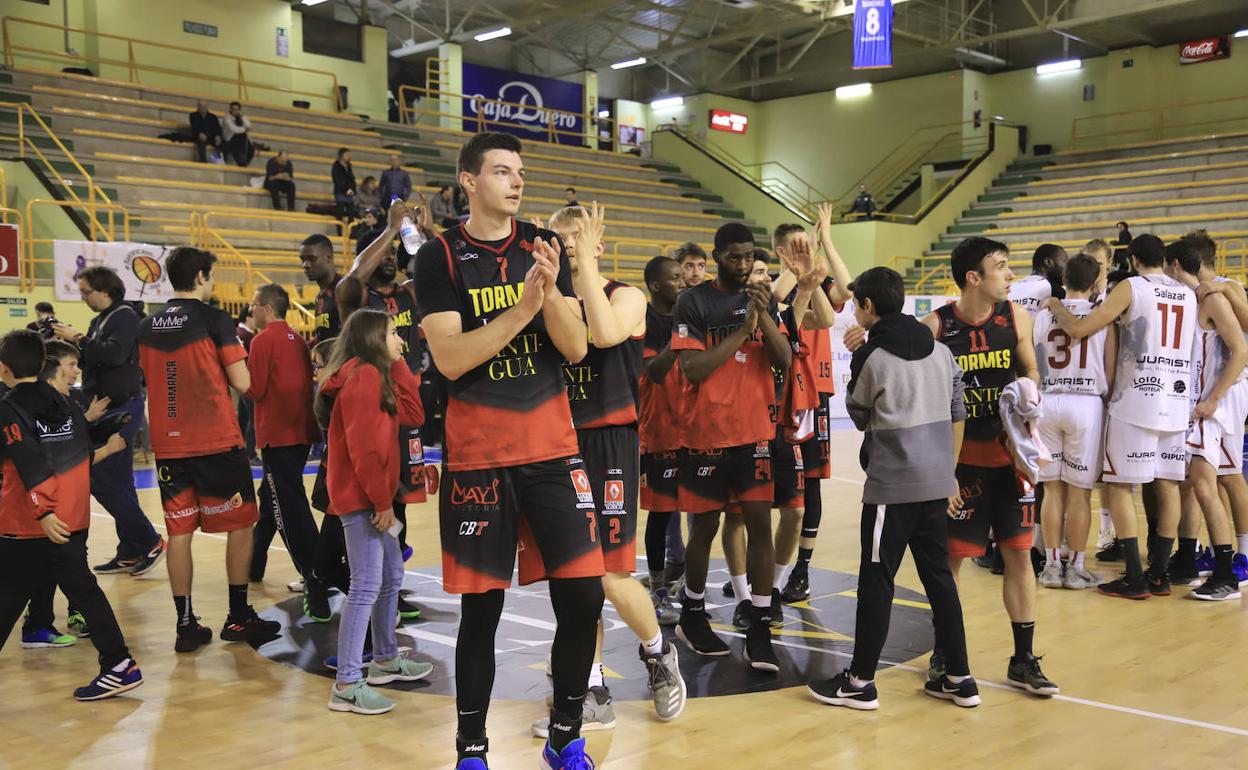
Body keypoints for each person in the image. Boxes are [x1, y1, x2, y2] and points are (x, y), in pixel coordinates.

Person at [413, 132, 604, 770]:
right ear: (469, 181)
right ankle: (472, 747)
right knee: (482, 610)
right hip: (479, 458)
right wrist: (522, 310)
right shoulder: (437, 258)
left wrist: (549, 290)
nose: (516, 182)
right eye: (502, 171)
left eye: (520, 172)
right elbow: (451, 357)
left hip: (552, 450)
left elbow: (577, 348)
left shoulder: (540, 248)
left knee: (583, 596)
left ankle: (564, 734)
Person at [535, 203, 686, 734]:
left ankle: (658, 653)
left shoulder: (627, 295)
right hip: (556, 441)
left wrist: (581, 275)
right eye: (561, 238)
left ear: (599, 245)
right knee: (574, 579)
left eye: (580, 238)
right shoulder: (544, 296)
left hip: (609, 441)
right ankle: (591, 684)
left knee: (610, 574)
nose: (569, 245)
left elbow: (600, 337)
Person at [809, 266, 979, 710]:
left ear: (866, 307)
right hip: (936, 482)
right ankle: (959, 677)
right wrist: (949, 469)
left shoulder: (872, 357)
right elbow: (959, 406)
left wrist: (861, 359)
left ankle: (859, 680)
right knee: (939, 579)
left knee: (877, 579)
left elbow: (861, 414)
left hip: (892, 488)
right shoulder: (941, 351)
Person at [915, 236, 1057, 696]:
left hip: (1010, 461)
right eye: (1001, 267)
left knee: (1019, 555)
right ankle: (945, 655)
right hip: (961, 467)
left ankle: (1023, 659)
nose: (1011, 275)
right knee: (951, 562)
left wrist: (1028, 391)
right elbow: (918, 397)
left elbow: (1031, 370)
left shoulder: (1016, 316)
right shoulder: (935, 327)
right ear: (974, 277)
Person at [136, 246, 282, 652]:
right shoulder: (214, 319)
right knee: (240, 525)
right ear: (201, 276)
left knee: (178, 533)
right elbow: (242, 382)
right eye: (212, 275)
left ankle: (185, 625)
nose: (213, 281)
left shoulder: (146, 325)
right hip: (216, 442)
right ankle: (237, 617)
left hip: (168, 446)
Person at [1042, 234, 1196, 600]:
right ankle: (1159, 573)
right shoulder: (1187, 294)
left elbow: (1079, 329)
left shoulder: (1131, 286)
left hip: (1136, 397)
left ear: (1133, 260)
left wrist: (1057, 308)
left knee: (1121, 486)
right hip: (1176, 398)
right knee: (1169, 485)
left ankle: (1133, 575)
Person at [670, 222, 791, 672]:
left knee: (760, 525)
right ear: (718, 255)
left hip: (756, 432)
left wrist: (763, 320)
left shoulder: (763, 298)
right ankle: (693, 615)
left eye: (749, 257)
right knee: (702, 531)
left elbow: (783, 360)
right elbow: (693, 370)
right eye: (734, 257)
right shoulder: (694, 300)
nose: (743, 266)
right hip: (705, 434)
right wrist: (742, 332)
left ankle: (759, 624)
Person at [0, 329, 144, 701]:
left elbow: (30, 459)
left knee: (10, 594)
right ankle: (118, 664)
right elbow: (78, 454)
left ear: (3, 369)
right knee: (77, 590)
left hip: (34, 521)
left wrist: (44, 510)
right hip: (72, 517)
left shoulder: (11, 406)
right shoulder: (66, 403)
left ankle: (118, 663)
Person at [316, 309, 435, 715]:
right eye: (392, 335)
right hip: (364, 498)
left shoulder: (375, 373)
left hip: (372, 495)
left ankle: (385, 659)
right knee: (365, 585)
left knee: (390, 575)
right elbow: (364, 448)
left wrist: (399, 363)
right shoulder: (363, 376)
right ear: (371, 338)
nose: (400, 340)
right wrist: (381, 502)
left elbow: (414, 416)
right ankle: (347, 684)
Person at [50, 266, 164, 576]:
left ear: (105, 289)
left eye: (87, 291)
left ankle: (149, 540)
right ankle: (129, 551)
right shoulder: (98, 321)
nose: (83, 297)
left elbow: (113, 355)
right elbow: (92, 359)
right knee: (121, 485)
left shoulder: (126, 316)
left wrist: (80, 338)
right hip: (102, 408)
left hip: (121, 407)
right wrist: (73, 345)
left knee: (101, 480)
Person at [768, 203, 852, 603]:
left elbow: (847, 292)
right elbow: (778, 295)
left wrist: (826, 244)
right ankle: (765, 569)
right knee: (772, 491)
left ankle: (801, 570)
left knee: (813, 485)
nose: (808, 251)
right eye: (797, 247)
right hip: (775, 394)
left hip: (813, 394)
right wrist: (797, 267)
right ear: (782, 252)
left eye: (808, 245)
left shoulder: (819, 282)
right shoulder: (774, 284)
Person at [1162, 238, 1246, 600]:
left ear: (1177, 265)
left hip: (1215, 402)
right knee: (1199, 482)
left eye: (1168, 268)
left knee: (1203, 481)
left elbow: (1242, 350)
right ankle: (1201, 560)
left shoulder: (1214, 296)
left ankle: (1227, 570)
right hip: (1203, 401)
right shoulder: (1192, 299)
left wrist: (1213, 398)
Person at [245, 284, 329, 618]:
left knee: (287, 508)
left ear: (266, 308)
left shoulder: (261, 340)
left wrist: (233, 375)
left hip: (278, 433)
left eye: (253, 305)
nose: (250, 310)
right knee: (273, 496)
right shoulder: (297, 340)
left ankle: (314, 574)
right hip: (300, 430)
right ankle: (253, 564)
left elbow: (255, 388)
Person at [1032, 254, 1115, 590]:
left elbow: (1037, 360)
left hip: (1048, 399)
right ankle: (1078, 567)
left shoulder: (1043, 314)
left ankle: (1051, 566)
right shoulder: (1102, 316)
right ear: (1096, 283)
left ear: (1063, 279)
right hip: (1086, 403)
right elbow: (1108, 373)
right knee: (1080, 493)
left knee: (1052, 490)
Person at [301, 233, 344, 345]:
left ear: (329, 258)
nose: (305, 265)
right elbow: (323, 337)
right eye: (303, 259)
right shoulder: (319, 297)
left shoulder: (344, 289)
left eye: (311, 258)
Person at [1010, 243, 1067, 315]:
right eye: (1064, 261)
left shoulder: (1011, 287)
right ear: (1049, 262)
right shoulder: (1054, 290)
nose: (1067, 268)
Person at [235, 307, 258, 464]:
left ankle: (240, 451)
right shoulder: (247, 336)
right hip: (248, 381)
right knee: (253, 417)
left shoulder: (237, 333)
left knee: (243, 418)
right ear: (248, 318)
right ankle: (250, 453)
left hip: (239, 380)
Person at [221, 101, 255, 167]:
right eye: (233, 109)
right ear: (230, 109)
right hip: (230, 139)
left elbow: (249, 126)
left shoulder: (242, 117)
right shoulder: (226, 118)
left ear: (239, 110)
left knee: (251, 149)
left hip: (241, 138)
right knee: (238, 145)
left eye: (237, 109)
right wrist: (245, 129)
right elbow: (234, 129)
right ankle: (241, 162)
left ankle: (245, 163)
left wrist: (242, 117)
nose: (235, 111)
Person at [332, 148, 357, 220]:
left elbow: (352, 178)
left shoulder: (349, 166)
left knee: (351, 212)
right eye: (347, 154)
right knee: (340, 212)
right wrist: (346, 189)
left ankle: (351, 230)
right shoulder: (336, 165)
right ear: (341, 155)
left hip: (349, 192)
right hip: (340, 192)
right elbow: (337, 179)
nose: (348, 156)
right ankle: (339, 230)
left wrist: (353, 189)